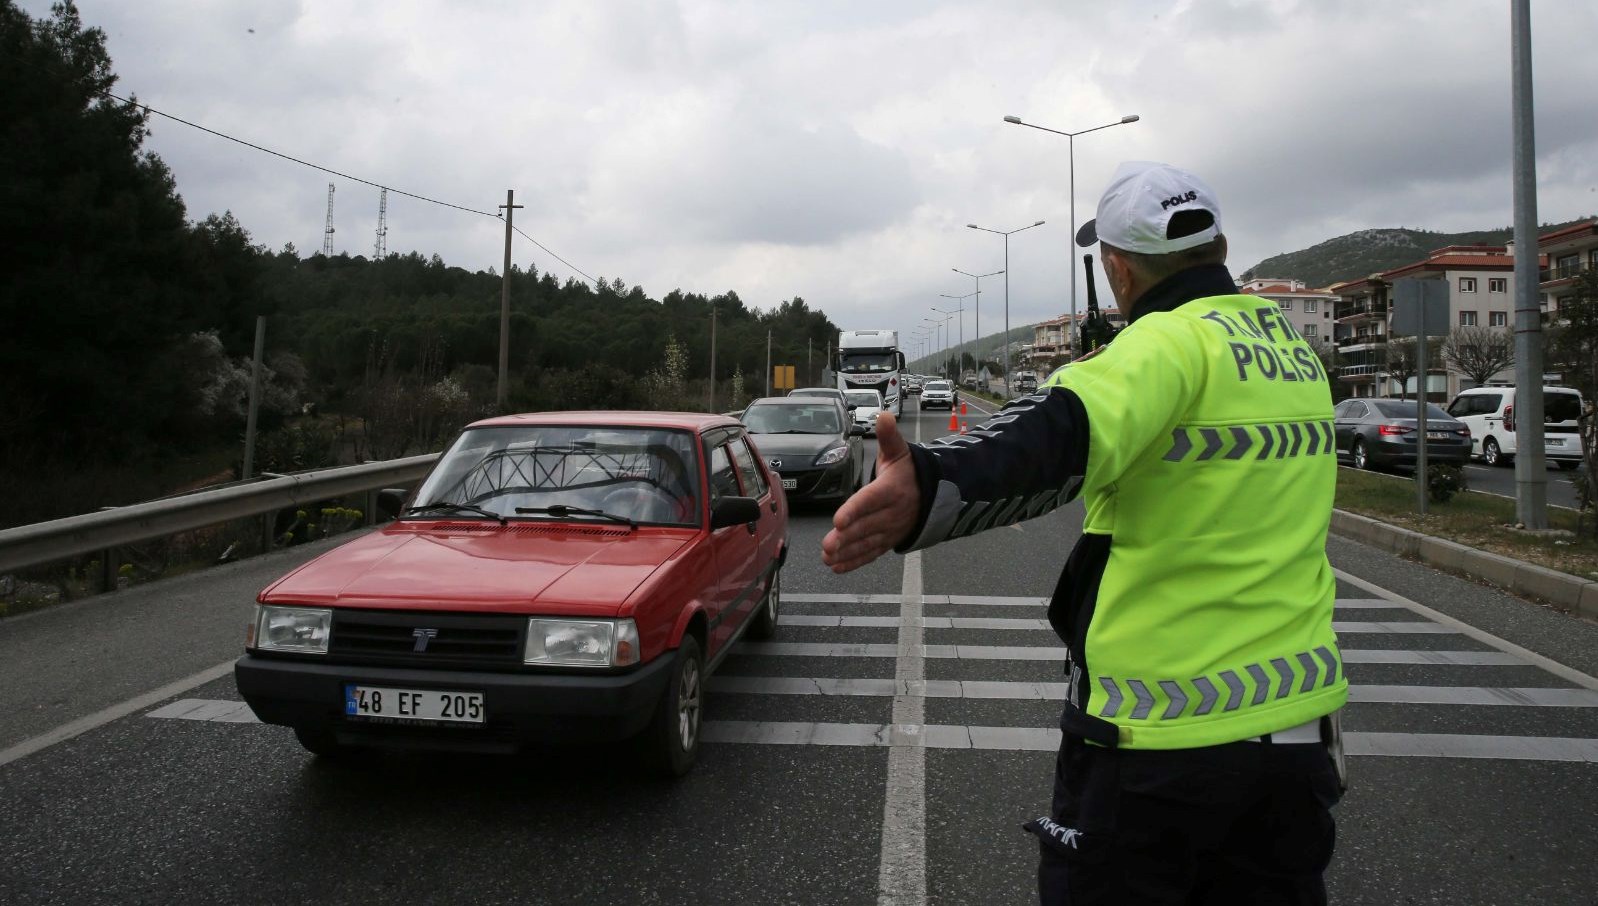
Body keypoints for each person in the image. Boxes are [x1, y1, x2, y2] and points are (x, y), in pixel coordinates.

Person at [822, 161, 1346, 904]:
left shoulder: (1166, 344)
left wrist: (931, 486)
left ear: (1118, 269)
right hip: (1294, 742)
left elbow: (1059, 431)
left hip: (1157, 747)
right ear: (1219, 249)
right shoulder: (1292, 353)